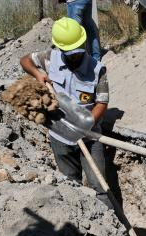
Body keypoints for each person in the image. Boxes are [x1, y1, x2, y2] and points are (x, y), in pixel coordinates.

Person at [20, 17, 111, 208]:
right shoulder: (49, 58)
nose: (76, 56)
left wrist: (85, 126)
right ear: (60, 48)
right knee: (70, 183)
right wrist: (38, 75)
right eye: (70, 53)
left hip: (90, 135)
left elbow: (102, 103)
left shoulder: (97, 70)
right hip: (60, 134)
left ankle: (113, 232)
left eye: (78, 51)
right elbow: (25, 60)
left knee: (101, 187)